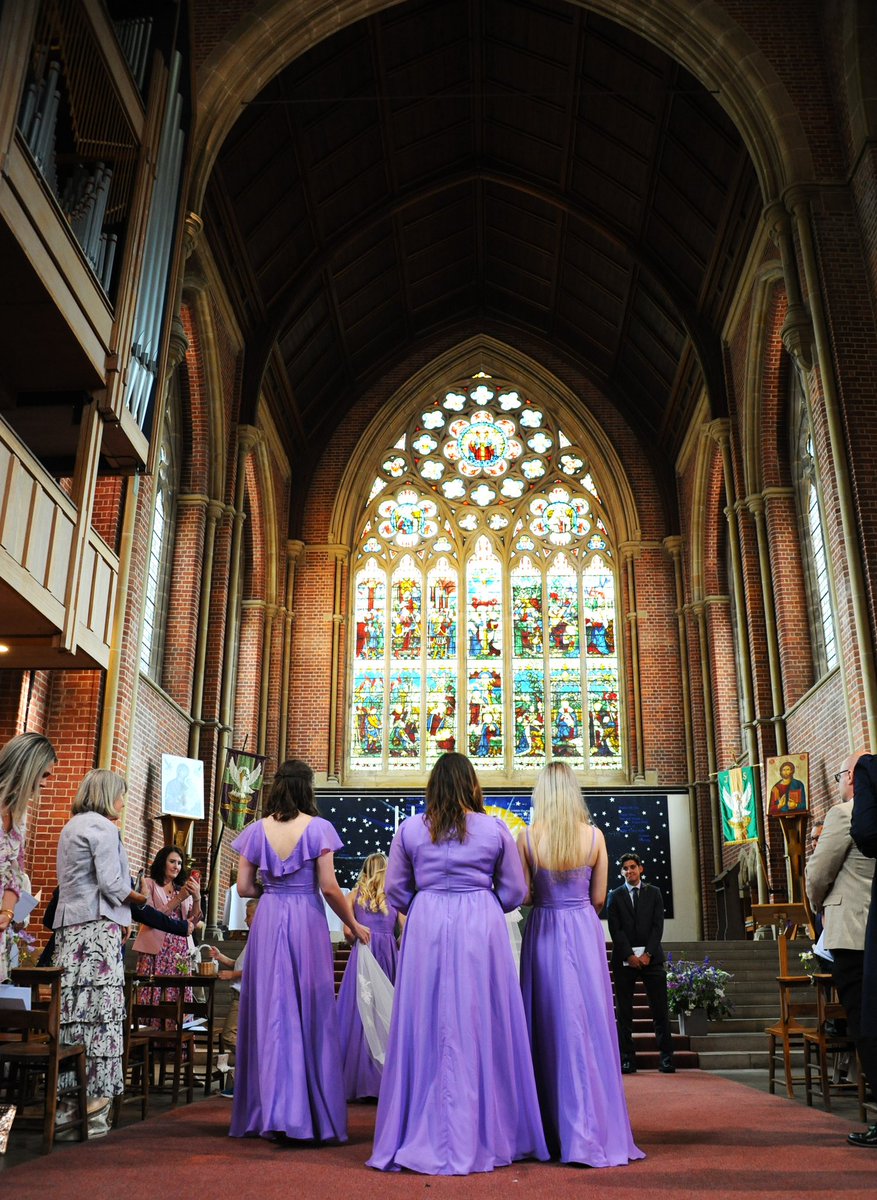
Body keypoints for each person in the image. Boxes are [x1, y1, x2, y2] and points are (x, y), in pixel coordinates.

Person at [368, 752, 548, 1175]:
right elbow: (515, 891)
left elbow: (396, 890)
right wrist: (482, 900)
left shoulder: (411, 828)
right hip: (480, 925)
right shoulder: (494, 828)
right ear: (472, 785)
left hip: (427, 922)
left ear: (432, 786)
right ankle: (486, 1127)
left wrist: (427, 902)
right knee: (480, 1019)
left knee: (426, 1020)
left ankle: (420, 1125)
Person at [229, 759, 370, 1142]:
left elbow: (244, 888)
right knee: (309, 1008)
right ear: (308, 788)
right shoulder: (318, 828)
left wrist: (272, 889)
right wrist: (353, 923)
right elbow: (329, 887)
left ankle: (267, 1110)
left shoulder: (256, 830)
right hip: (305, 918)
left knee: (270, 1008)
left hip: (269, 917)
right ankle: (304, 1112)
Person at [517, 762, 643, 1166]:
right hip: (583, 930)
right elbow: (600, 898)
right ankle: (593, 1125)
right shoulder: (594, 836)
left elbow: (524, 896)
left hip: (544, 928)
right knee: (587, 1023)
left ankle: (551, 1130)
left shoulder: (527, 837)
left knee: (547, 1022)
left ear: (541, 794)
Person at [53, 769, 147, 1136]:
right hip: (96, 932)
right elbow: (112, 885)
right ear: (108, 794)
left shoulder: (70, 827)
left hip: (70, 930)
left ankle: (65, 1110)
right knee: (98, 1018)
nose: (123, 802)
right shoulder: (104, 828)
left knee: (73, 1016)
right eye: (121, 794)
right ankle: (92, 1113)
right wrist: (140, 898)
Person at [807, 751, 877, 1149]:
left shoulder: (844, 814)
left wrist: (818, 905)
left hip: (851, 935)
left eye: (840, 775)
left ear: (852, 777)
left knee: (866, 1026)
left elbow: (818, 873)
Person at [336, 853, 400, 1101]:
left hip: (363, 954)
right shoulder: (394, 896)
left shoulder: (354, 895)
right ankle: (387, 1080)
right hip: (387, 955)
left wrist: (359, 936)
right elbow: (407, 927)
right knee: (386, 1011)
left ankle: (358, 1078)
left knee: (360, 1013)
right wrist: (394, 943)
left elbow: (347, 933)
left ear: (365, 870)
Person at [606, 851, 675, 1074]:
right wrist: (629, 955)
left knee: (660, 1010)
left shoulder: (654, 893)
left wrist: (648, 954)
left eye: (632, 867)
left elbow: (657, 926)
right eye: (625, 868)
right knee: (624, 1012)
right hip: (625, 960)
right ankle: (627, 1059)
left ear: (640, 869)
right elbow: (615, 929)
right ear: (621, 872)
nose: (629, 871)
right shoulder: (615, 896)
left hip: (651, 959)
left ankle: (666, 1058)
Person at [0, 732, 57, 980]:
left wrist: (7, 913)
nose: (44, 784)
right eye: (43, 775)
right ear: (26, 766)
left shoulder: (18, 815)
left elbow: (15, 873)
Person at [133, 845, 202, 1015]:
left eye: (179, 863)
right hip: (156, 949)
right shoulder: (149, 884)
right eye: (172, 861)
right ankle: (150, 1028)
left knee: (177, 993)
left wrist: (197, 897)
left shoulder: (182, 887)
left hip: (180, 950)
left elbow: (193, 921)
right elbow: (151, 917)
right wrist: (179, 898)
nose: (176, 866)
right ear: (162, 862)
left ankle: (176, 1029)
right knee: (153, 992)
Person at [209, 896, 260, 1097]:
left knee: (229, 1035)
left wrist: (233, 975)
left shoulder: (261, 938)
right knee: (241, 1037)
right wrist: (221, 957)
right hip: (240, 993)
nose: (246, 920)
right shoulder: (253, 938)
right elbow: (240, 964)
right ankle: (245, 1077)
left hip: (245, 995)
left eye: (249, 915)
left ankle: (253, 1066)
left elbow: (258, 970)